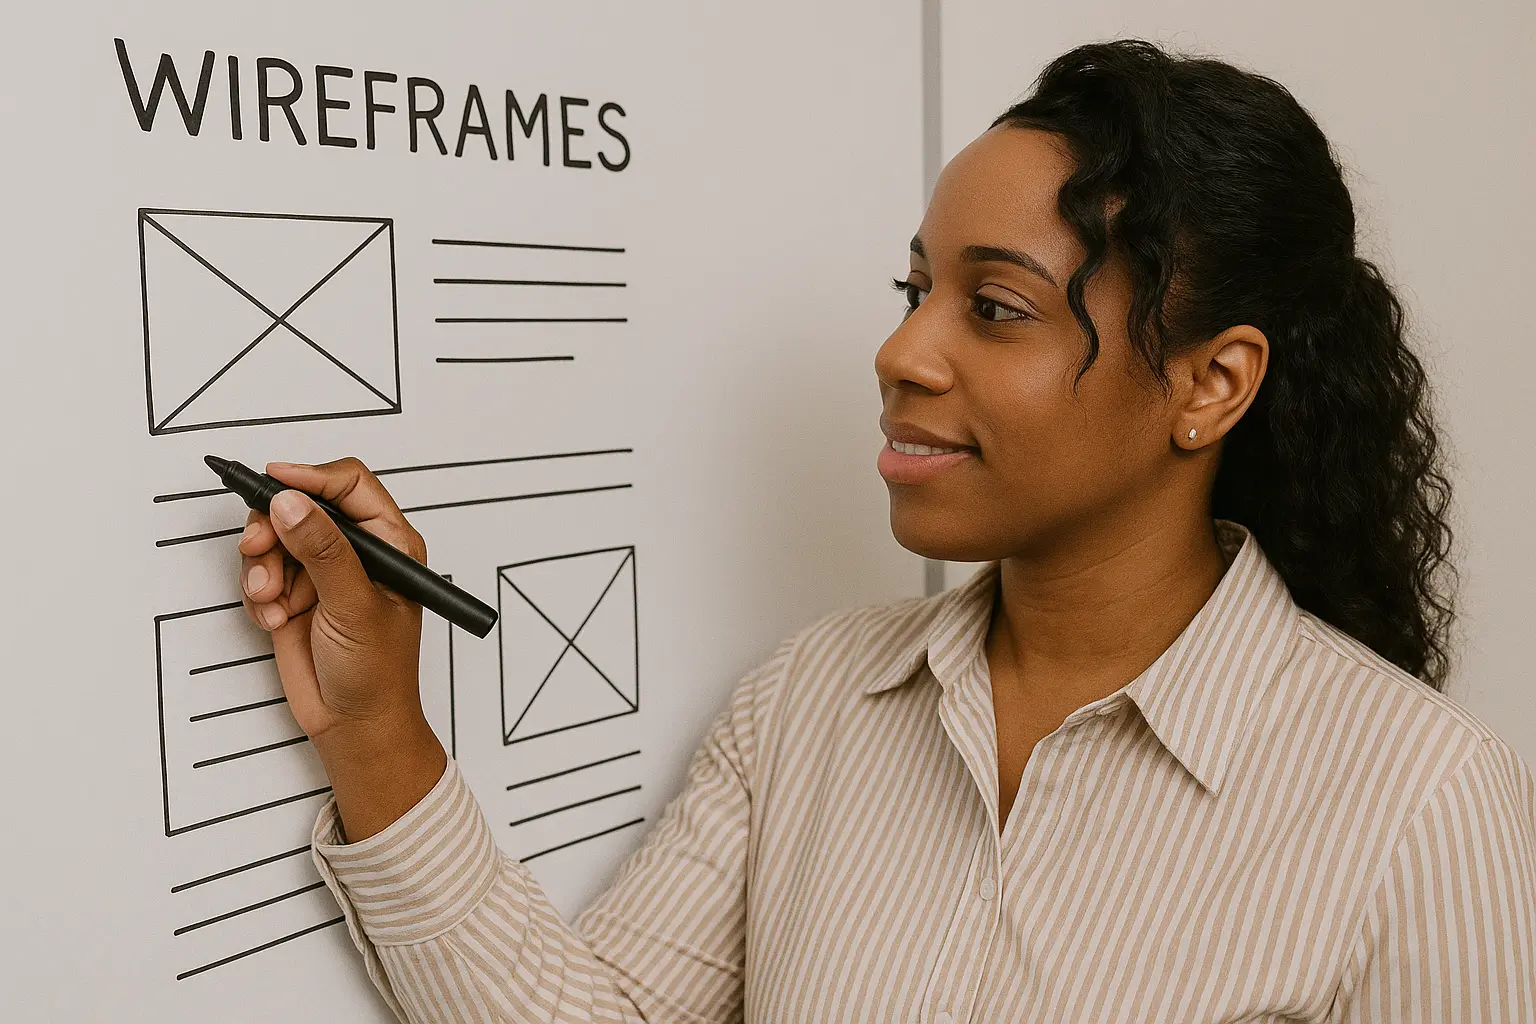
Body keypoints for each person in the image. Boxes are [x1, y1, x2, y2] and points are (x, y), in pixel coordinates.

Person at [234, 38, 1536, 1022]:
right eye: (916, 288)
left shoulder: (1422, 800)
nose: (902, 349)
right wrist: (377, 728)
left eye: (999, 308)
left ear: (1212, 384)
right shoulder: (807, 703)